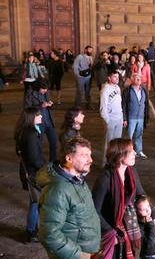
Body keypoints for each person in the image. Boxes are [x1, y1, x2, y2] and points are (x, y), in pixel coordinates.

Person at [37, 137, 101, 258]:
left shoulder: (77, 179)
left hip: (86, 249)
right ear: (69, 158)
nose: (90, 160)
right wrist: (77, 254)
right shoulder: (58, 190)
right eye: (84, 155)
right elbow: (48, 233)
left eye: (90, 155)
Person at [92, 138, 146, 258]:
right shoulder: (105, 178)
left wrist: (154, 217)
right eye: (131, 151)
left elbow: (141, 195)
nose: (134, 153)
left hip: (129, 225)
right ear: (120, 156)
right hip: (112, 227)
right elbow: (94, 210)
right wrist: (110, 231)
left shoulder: (132, 171)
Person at [14, 107, 45, 243]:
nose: (41, 116)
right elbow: (34, 158)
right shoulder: (31, 133)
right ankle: (31, 232)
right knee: (35, 203)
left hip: (27, 171)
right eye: (38, 115)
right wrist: (46, 169)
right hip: (34, 174)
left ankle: (32, 231)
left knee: (35, 202)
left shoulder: (22, 131)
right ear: (32, 117)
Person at [24, 79, 58, 162]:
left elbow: (50, 106)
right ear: (38, 87)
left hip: (48, 121)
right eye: (43, 89)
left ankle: (53, 161)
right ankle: (39, 162)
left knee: (54, 142)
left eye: (46, 89)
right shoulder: (30, 93)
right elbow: (27, 109)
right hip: (38, 123)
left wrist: (50, 104)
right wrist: (40, 106)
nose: (45, 91)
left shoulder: (46, 92)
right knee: (38, 144)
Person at [122, 73, 150, 159]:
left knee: (139, 135)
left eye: (140, 78)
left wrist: (146, 116)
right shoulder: (127, 91)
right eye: (136, 78)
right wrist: (124, 119)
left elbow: (146, 104)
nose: (139, 80)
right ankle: (128, 152)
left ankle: (139, 151)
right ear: (132, 80)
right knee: (129, 136)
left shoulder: (143, 90)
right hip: (131, 117)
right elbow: (123, 105)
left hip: (141, 117)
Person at [100, 70, 124, 165]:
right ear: (109, 78)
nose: (117, 79)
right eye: (114, 77)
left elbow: (119, 104)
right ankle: (105, 163)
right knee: (108, 143)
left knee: (117, 143)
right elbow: (103, 107)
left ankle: (115, 161)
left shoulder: (117, 88)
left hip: (119, 118)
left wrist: (121, 118)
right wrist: (107, 120)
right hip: (110, 119)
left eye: (118, 77)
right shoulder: (105, 89)